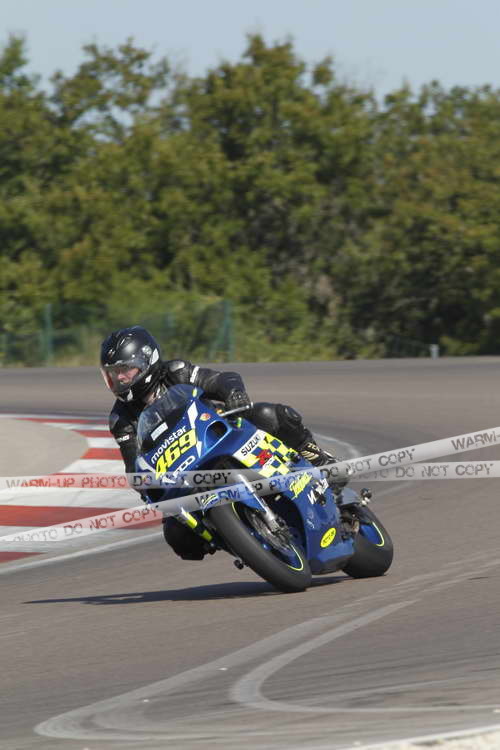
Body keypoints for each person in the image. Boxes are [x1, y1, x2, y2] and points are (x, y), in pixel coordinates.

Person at [100, 326, 336, 560]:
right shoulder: (121, 419)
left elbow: (219, 379)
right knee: (176, 534)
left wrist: (233, 393)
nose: (119, 378)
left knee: (269, 414)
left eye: (124, 370)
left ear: (147, 360)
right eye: (113, 373)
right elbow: (133, 465)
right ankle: (236, 538)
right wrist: (145, 484)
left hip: (221, 436)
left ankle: (319, 460)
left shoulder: (176, 372)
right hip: (183, 476)